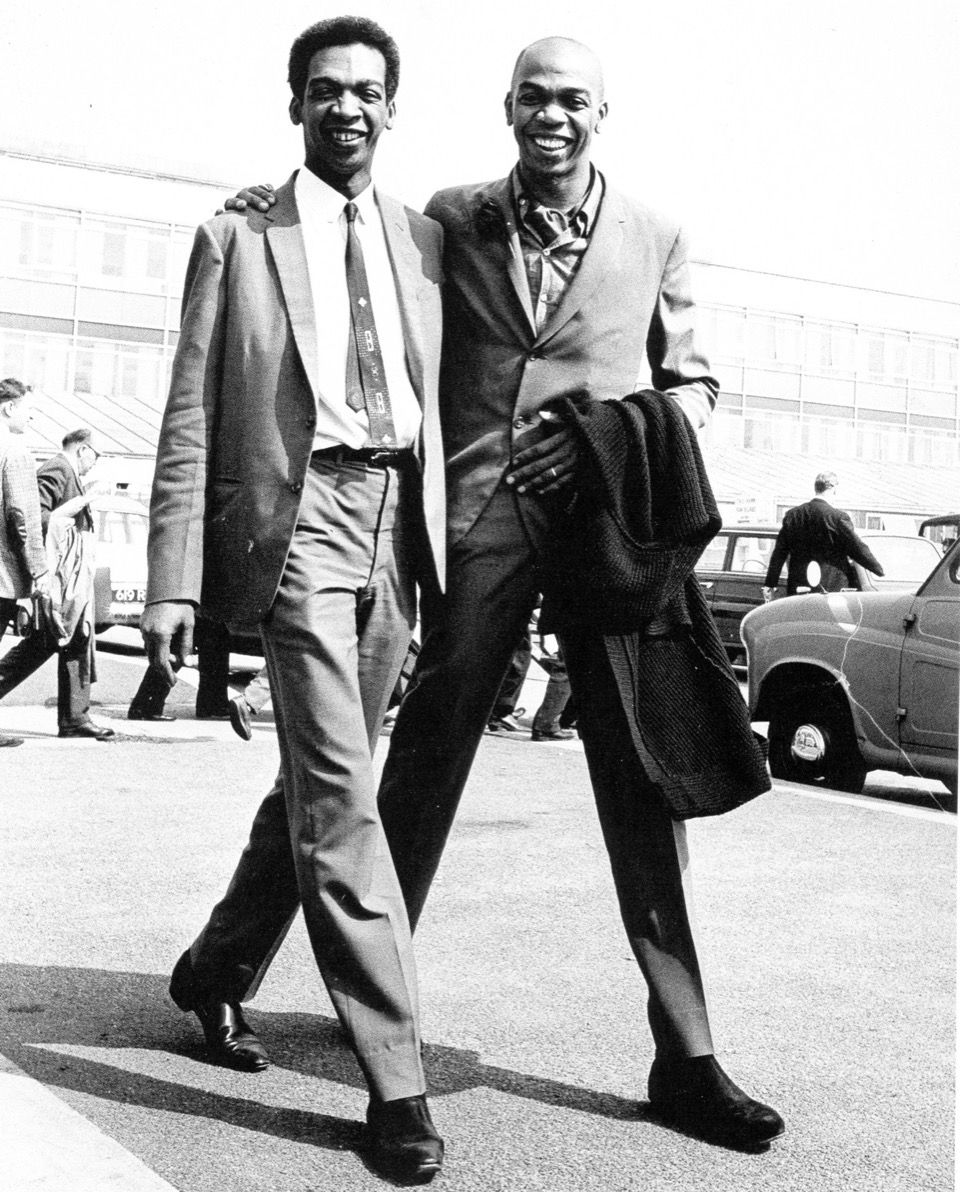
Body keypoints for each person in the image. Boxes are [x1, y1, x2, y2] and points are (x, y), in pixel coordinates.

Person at [230, 34, 783, 1152]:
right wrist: (266, 208)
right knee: (409, 775)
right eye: (534, 98)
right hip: (475, 528)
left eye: (573, 100)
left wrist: (607, 438)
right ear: (507, 109)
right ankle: (326, 984)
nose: (553, 117)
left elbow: (700, 386)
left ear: (602, 113)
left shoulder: (658, 234)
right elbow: (355, 255)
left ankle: (687, 1056)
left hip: (608, 541)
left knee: (642, 790)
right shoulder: (450, 218)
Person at [141, 17, 446, 1183]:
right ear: (294, 106)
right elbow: (185, 412)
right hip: (300, 519)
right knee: (342, 799)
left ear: (391, 106)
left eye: (368, 91)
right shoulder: (239, 236)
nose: (347, 108)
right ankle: (396, 1077)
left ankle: (215, 970)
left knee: (325, 785)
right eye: (325, 90)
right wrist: (173, 581)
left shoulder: (425, 241)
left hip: (394, 532)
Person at [0, 425, 115, 740]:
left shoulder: (68, 471)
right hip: (58, 578)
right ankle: (75, 718)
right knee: (46, 642)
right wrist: (85, 499)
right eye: (97, 455)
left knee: (76, 639)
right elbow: (37, 518)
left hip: (70, 578)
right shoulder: (57, 468)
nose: (96, 462)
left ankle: (76, 718)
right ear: (82, 449)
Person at [0, 379, 50, 747]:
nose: (33, 415)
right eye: (29, 408)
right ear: (8, 408)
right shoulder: (15, 450)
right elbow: (22, 516)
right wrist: (39, 569)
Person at [762, 470, 884, 599]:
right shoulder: (837, 517)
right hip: (831, 589)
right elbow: (857, 548)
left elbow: (779, 552)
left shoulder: (792, 515)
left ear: (816, 488)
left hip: (798, 588)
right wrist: (878, 570)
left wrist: (770, 582)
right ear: (833, 489)